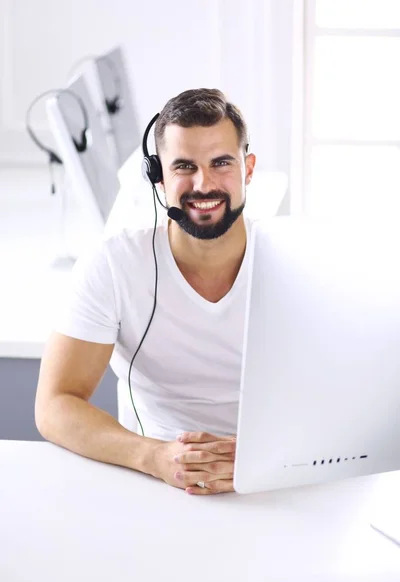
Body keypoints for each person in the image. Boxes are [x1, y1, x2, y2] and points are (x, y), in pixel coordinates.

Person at [35, 88, 257, 495]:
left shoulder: (297, 263)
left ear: (248, 168)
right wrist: (153, 457)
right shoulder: (114, 264)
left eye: (221, 162)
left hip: (272, 482)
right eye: (184, 166)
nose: (203, 183)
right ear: (157, 176)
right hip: (157, 482)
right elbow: (55, 404)